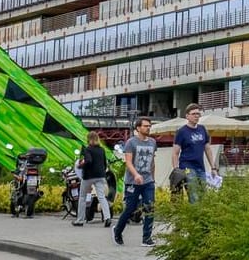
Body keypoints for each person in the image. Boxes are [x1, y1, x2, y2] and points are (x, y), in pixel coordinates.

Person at [111, 117, 156, 247]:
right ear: (138, 128)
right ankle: (117, 231)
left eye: (149, 126)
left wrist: (153, 178)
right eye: (145, 126)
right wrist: (136, 174)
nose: (148, 128)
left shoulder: (152, 142)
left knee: (150, 208)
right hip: (132, 181)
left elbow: (152, 162)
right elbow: (128, 162)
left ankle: (146, 238)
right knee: (130, 208)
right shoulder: (131, 142)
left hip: (148, 181)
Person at [167, 104, 217, 204]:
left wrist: (213, 167)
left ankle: (201, 218)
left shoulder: (202, 129)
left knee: (203, 195)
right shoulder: (181, 131)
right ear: (187, 116)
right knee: (194, 195)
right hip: (187, 167)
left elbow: (207, 149)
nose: (196, 116)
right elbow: (175, 152)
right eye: (194, 114)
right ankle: (194, 217)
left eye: (198, 114)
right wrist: (176, 169)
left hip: (200, 167)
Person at [73, 133, 112, 228]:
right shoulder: (101, 150)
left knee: (82, 197)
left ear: (88, 139)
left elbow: (88, 160)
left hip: (88, 176)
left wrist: (81, 165)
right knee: (102, 197)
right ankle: (107, 218)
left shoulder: (87, 149)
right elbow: (104, 163)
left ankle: (80, 220)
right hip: (100, 176)